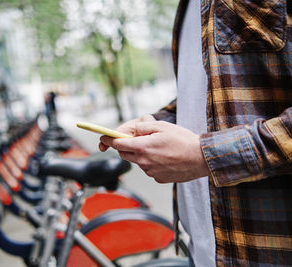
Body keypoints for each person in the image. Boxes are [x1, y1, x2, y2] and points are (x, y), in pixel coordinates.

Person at [100, 0, 292, 266]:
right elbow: (210, 96)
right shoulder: (188, 7)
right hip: (201, 251)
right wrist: (154, 123)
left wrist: (206, 156)